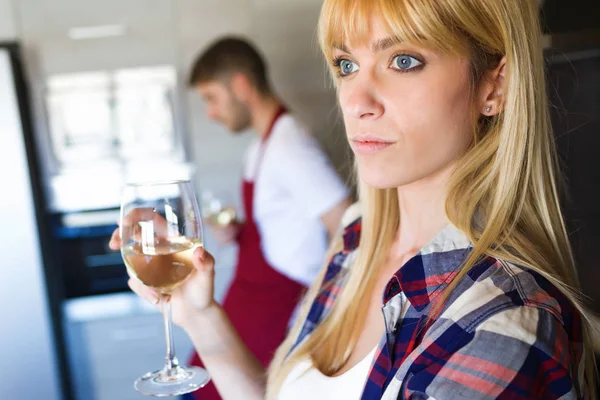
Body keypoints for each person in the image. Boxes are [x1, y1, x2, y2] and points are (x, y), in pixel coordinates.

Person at [112, 0, 598, 398]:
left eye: (403, 61)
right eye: (346, 65)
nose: (355, 100)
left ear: (496, 84)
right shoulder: (357, 238)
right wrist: (197, 311)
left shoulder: (501, 326)